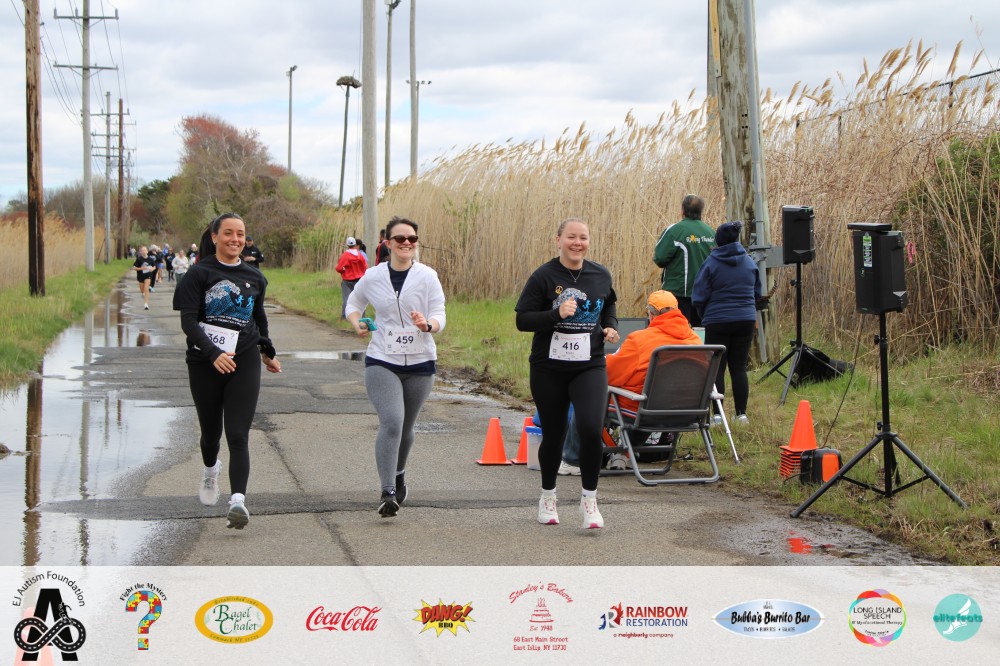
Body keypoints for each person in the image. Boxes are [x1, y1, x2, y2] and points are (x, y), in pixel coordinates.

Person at [172, 212, 282, 530]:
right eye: (229, 233)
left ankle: (237, 502)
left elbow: (259, 318)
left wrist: (266, 351)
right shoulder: (198, 273)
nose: (235, 239)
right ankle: (210, 470)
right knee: (210, 435)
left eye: (240, 234)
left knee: (237, 433)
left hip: (243, 359)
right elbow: (188, 321)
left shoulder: (255, 277)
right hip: (204, 362)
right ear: (215, 237)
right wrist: (213, 353)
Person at [515, 218, 618, 529]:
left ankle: (590, 502)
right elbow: (523, 320)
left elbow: (608, 305)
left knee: (590, 428)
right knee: (555, 432)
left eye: (583, 238)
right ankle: (548, 496)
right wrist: (555, 314)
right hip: (549, 367)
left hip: (589, 365)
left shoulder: (600, 274)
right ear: (558, 239)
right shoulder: (544, 276)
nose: (577, 243)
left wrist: (609, 326)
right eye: (571, 237)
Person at [345, 217, 446, 518]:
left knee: (406, 427)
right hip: (382, 359)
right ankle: (387, 490)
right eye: (400, 238)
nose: (406, 243)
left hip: (420, 361)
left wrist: (428, 325)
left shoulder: (427, 276)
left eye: (412, 239)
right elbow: (353, 304)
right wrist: (358, 323)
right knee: (392, 421)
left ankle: (399, 474)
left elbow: (440, 313)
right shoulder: (373, 276)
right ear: (388, 243)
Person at [560, 290, 702, 472]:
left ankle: (573, 460)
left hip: (645, 411)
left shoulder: (640, 340)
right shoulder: (695, 340)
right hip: (687, 413)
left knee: (589, 391)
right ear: (677, 311)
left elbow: (608, 374)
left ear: (651, 314)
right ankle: (624, 453)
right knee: (646, 398)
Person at [692, 221, 762, 426]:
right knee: (739, 367)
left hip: (717, 321)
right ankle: (741, 415)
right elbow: (757, 293)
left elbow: (698, 296)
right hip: (745, 320)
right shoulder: (749, 263)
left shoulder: (711, 263)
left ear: (718, 241)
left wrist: (705, 315)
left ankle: (717, 416)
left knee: (717, 368)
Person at [653, 194, 716, 326]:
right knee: (700, 332)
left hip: (678, 293)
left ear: (683, 210)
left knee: (677, 330)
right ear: (701, 211)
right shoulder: (710, 232)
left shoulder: (675, 230)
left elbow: (660, 259)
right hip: (705, 293)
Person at [336, 236, 368, 319]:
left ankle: (344, 317)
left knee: (346, 299)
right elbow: (365, 267)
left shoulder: (345, 255)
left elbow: (339, 268)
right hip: (359, 280)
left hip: (347, 280)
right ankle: (362, 316)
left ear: (347, 245)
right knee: (360, 299)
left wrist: (343, 270)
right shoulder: (360, 255)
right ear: (355, 244)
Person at [132, 246, 155, 310]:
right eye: (142, 250)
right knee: (142, 290)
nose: (144, 251)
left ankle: (146, 304)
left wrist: (152, 269)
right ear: (141, 252)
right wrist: (141, 268)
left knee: (146, 288)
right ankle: (142, 293)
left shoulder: (150, 259)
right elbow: (134, 268)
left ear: (147, 251)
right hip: (141, 276)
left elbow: (154, 266)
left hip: (148, 275)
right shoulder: (139, 259)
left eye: (145, 250)